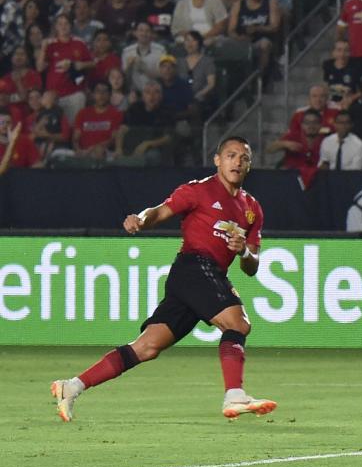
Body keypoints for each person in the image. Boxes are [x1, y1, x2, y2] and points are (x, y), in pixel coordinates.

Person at [51, 136, 276, 422]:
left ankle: (71, 387)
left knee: (147, 347)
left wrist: (243, 249)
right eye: (230, 155)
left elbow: (252, 266)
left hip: (206, 277)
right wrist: (141, 220)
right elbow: (159, 211)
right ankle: (234, 395)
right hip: (193, 267)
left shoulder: (252, 208)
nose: (237, 162)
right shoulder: (199, 191)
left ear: (249, 165)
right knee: (238, 323)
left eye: (243, 158)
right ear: (218, 160)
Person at [267, 107, 325, 188]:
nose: (311, 126)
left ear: (320, 125)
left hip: (318, 180)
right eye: (307, 123)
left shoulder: (326, 140)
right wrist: (285, 144)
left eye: (315, 122)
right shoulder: (293, 136)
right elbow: (269, 149)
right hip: (291, 179)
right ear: (302, 124)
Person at [72, 81, 124, 161]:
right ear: (93, 94)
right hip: (83, 153)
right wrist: (78, 150)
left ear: (110, 95)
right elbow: (75, 138)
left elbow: (113, 139)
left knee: (99, 151)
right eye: (98, 91)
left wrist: (93, 148)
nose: (101, 95)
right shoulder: (83, 113)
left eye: (105, 91)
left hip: (105, 153)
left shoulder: (116, 114)